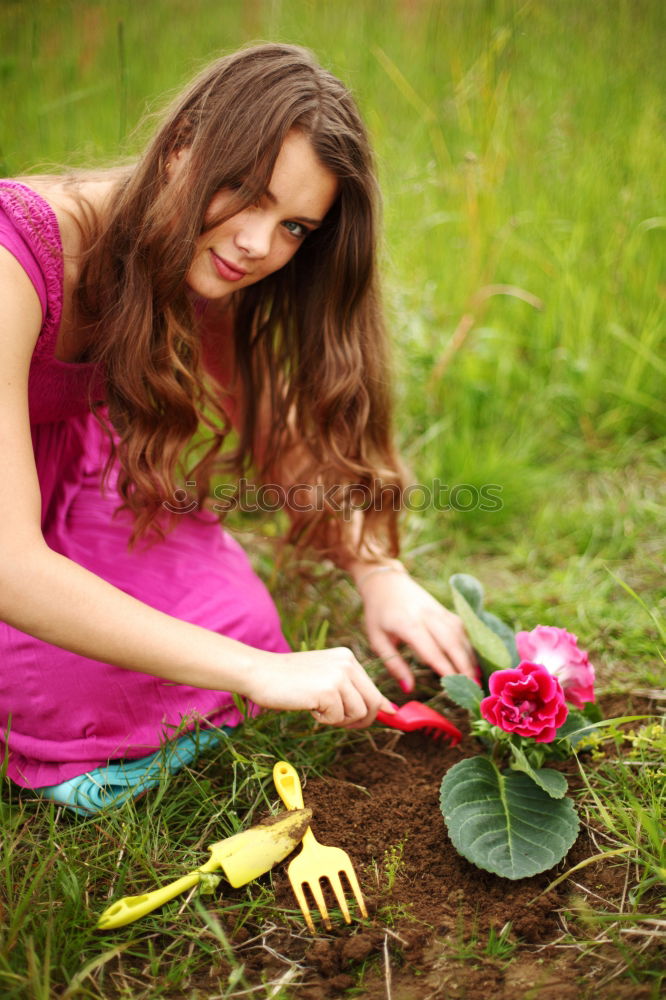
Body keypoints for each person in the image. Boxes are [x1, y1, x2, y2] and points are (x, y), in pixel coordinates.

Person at [0, 43, 475, 812]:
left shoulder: (191, 255)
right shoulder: (14, 259)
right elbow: (7, 562)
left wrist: (378, 573)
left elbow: (272, 428)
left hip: (58, 476)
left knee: (241, 619)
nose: (259, 244)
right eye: (247, 194)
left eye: (293, 227)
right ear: (183, 139)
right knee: (79, 680)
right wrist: (257, 675)